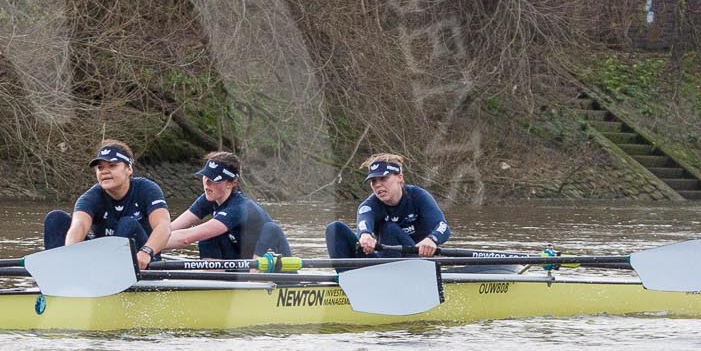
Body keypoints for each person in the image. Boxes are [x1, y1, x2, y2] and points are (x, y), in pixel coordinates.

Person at [42, 140, 172, 272]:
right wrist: (69, 252)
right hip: (104, 262)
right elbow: (79, 225)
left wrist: (147, 251)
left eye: (112, 166)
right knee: (55, 218)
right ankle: (60, 274)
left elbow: (163, 226)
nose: (105, 172)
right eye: (100, 168)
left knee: (128, 224)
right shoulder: (91, 197)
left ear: (129, 169)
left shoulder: (147, 189)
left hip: (143, 260)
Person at [164, 151, 293, 261]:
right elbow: (170, 229)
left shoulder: (239, 207)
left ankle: (219, 283)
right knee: (207, 238)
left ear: (231, 183)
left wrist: (149, 248)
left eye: (214, 179)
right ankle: (212, 282)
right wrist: (148, 241)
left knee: (204, 234)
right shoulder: (209, 198)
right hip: (241, 258)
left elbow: (186, 238)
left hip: (268, 266)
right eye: (205, 177)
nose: (207, 184)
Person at [325, 153, 449, 259]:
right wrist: (365, 235)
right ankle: (348, 280)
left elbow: (443, 227)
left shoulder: (419, 196)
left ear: (400, 178)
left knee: (390, 229)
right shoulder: (369, 206)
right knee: (335, 228)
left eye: (383, 178)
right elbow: (363, 224)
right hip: (385, 261)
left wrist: (432, 239)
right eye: (373, 181)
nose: (377, 185)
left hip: (418, 262)